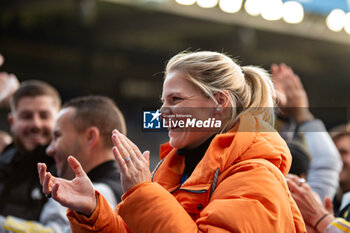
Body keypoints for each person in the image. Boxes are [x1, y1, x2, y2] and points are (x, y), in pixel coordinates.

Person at [39, 51, 306, 232]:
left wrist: (143, 193)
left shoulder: (255, 174)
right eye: (162, 102)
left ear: (219, 104)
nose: (162, 112)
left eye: (175, 100)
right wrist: (93, 213)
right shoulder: (174, 171)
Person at [35, 96, 125, 233]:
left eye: (57, 136)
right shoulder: (131, 193)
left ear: (90, 137)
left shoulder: (87, 199)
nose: (49, 149)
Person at [272, 63, 341, 201]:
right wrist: (302, 115)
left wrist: (284, 118)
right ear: (303, 178)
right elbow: (326, 164)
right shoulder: (307, 206)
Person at [0, 80, 60, 220]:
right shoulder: (3, 162)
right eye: (26, 116)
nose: (36, 124)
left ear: (58, 121)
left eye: (44, 116)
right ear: (12, 122)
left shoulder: (70, 171)